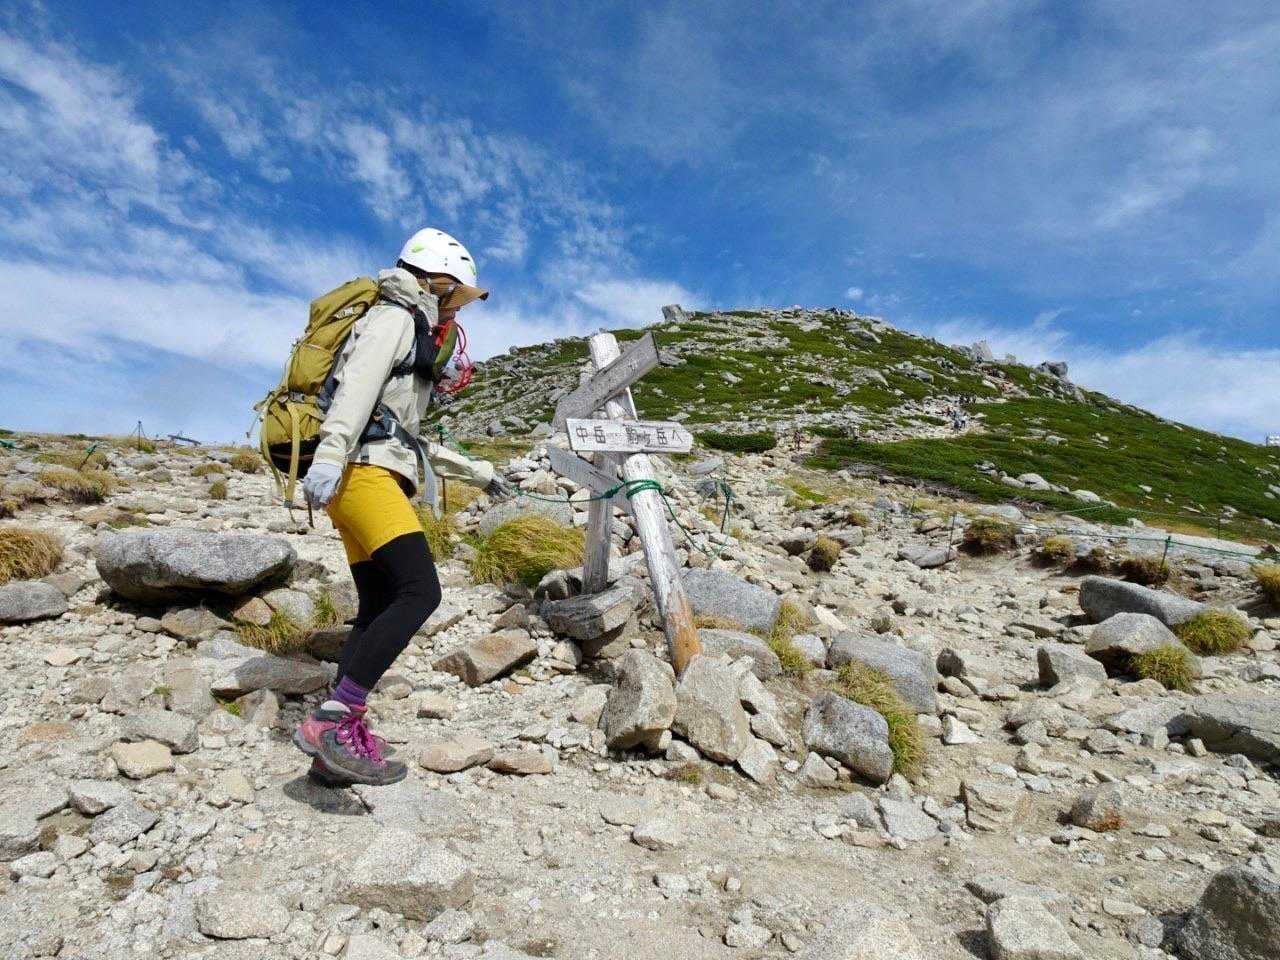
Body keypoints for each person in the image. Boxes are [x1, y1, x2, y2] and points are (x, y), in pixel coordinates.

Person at [291, 228, 512, 786]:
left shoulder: (411, 331)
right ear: (433, 280)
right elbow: (356, 391)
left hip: (362, 476)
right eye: (456, 295)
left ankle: (333, 747)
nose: (458, 308)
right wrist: (330, 454)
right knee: (420, 592)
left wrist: (481, 474)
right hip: (362, 476)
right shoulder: (393, 318)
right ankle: (335, 720)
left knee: (377, 604)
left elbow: (404, 435)